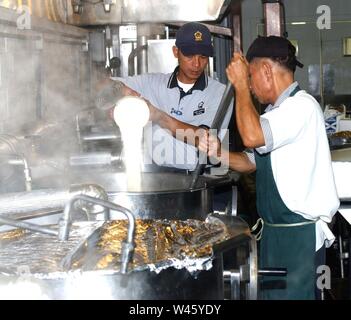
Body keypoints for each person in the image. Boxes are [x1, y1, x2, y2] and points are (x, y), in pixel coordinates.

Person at [199, 36, 340, 300]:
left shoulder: (301, 107)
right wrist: (218, 152)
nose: (250, 86)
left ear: (266, 70)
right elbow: (251, 162)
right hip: (276, 233)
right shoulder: (277, 112)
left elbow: (252, 136)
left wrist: (240, 86)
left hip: (298, 237)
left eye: (251, 77)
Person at [108, 22, 233, 171]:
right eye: (189, 55)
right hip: (158, 175)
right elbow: (104, 84)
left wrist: (158, 116)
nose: (197, 64)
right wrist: (122, 91)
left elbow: (204, 139)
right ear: (175, 52)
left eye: (203, 57)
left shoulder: (220, 93)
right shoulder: (152, 83)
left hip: (202, 178)